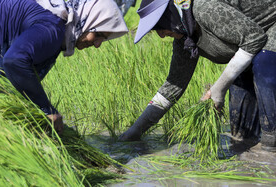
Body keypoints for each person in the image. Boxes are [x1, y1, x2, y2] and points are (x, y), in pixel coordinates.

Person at [118, 0, 276, 152]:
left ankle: (270, 151)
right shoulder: (185, 40)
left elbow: (254, 39)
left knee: (264, 62)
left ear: (171, 16)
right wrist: (134, 132)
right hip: (248, 48)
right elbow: (173, 85)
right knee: (241, 138)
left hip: (270, 27)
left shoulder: (205, 9)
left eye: (160, 27)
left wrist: (219, 89)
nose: (161, 35)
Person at [0, 0, 128, 135]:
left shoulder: (56, 29)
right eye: (98, 34)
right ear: (88, 20)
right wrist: (47, 109)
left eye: (103, 39)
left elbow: (16, 80)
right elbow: (14, 61)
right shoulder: (51, 28)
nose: (98, 44)